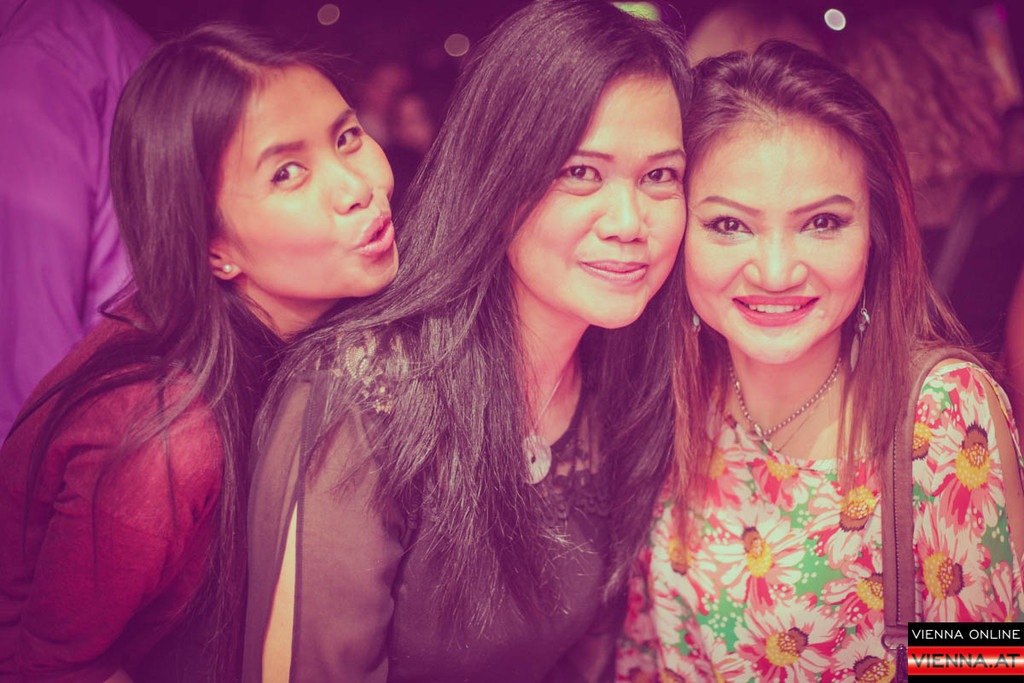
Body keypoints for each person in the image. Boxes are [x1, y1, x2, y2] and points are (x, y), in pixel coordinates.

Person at [243, 1, 690, 680]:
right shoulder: (366, 396)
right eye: (580, 172)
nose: (630, 222)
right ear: (499, 175)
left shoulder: (625, 380)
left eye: (659, 176)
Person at [0, 23, 397, 683]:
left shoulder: (283, 337)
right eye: (287, 173)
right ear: (215, 249)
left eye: (346, 136)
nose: (357, 186)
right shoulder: (168, 440)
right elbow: (49, 669)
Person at [618, 41, 1024, 682]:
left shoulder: (941, 411)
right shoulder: (669, 388)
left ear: (875, 233)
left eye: (823, 222)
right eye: (729, 225)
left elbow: (982, 670)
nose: (777, 271)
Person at [0, 0, 152, 438]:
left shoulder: (33, 60)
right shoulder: (105, 31)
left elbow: (29, 374)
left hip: (98, 433)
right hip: (140, 410)